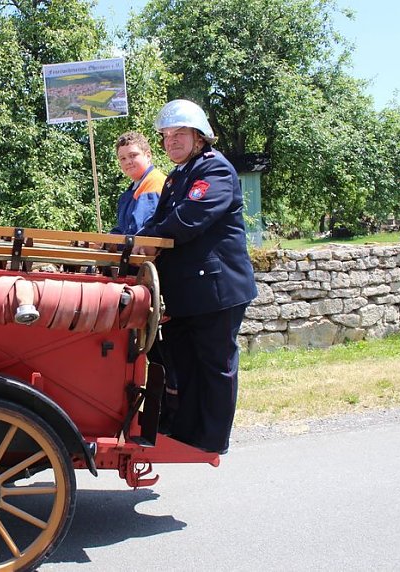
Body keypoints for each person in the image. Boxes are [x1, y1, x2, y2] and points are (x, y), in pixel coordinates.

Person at [136, 99, 257, 454]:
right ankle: (185, 437)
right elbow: (158, 222)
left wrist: (145, 245)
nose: (171, 141)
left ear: (200, 136)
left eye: (179, 134)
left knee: (215, 368)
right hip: (188, 292)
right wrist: (134, 242)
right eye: (166, 135)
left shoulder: (214, 170)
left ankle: (212, 441)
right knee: (183, 367)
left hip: (216, 290)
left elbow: (188, 219)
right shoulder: (177, 177)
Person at [110, 131, 166, 237]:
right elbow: (123, 228)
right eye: (123, 158)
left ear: (148, 155)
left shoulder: (153, 182)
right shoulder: (132, 190)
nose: (128, 162)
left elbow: (139, 230)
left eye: (133, 155)